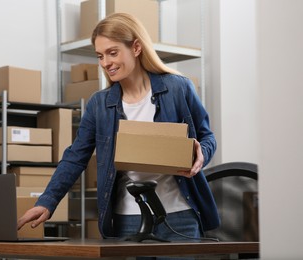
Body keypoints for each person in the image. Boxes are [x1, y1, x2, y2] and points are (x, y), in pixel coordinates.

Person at [18, 12, 220, 248]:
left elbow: (207, 137)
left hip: (179, 216)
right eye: (100, 56)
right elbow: (75, 157)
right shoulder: (99, 104)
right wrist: (47, 201)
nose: (106, 63)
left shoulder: (178, 88)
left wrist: (201, 154)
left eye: (113, 53)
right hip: (127, 219)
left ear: (136, 47)